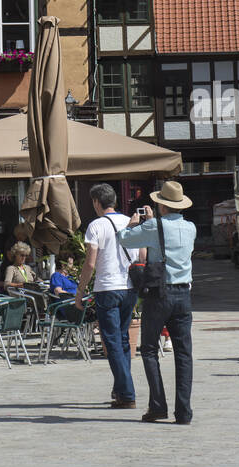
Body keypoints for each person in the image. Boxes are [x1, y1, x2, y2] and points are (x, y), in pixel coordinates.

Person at [118, 179, 196, 425]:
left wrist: (133, 224)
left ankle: (158, 405)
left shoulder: (154, 226)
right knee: (184, 354)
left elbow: (125, 240)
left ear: (162, 205)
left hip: (159, 293)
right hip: (184, 294)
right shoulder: (191, 227)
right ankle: (183, 411)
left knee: (150, 350)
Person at [74, 183, 140, 409]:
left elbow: (90, 262)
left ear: (96, 202)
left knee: (111, 341)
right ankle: (121, 389)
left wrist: (80, 291)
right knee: (122, 339)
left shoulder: (96, 226)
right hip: (130, 287)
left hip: (107, 288)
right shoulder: (130, 222)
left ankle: (127, 393)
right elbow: (142, 254)